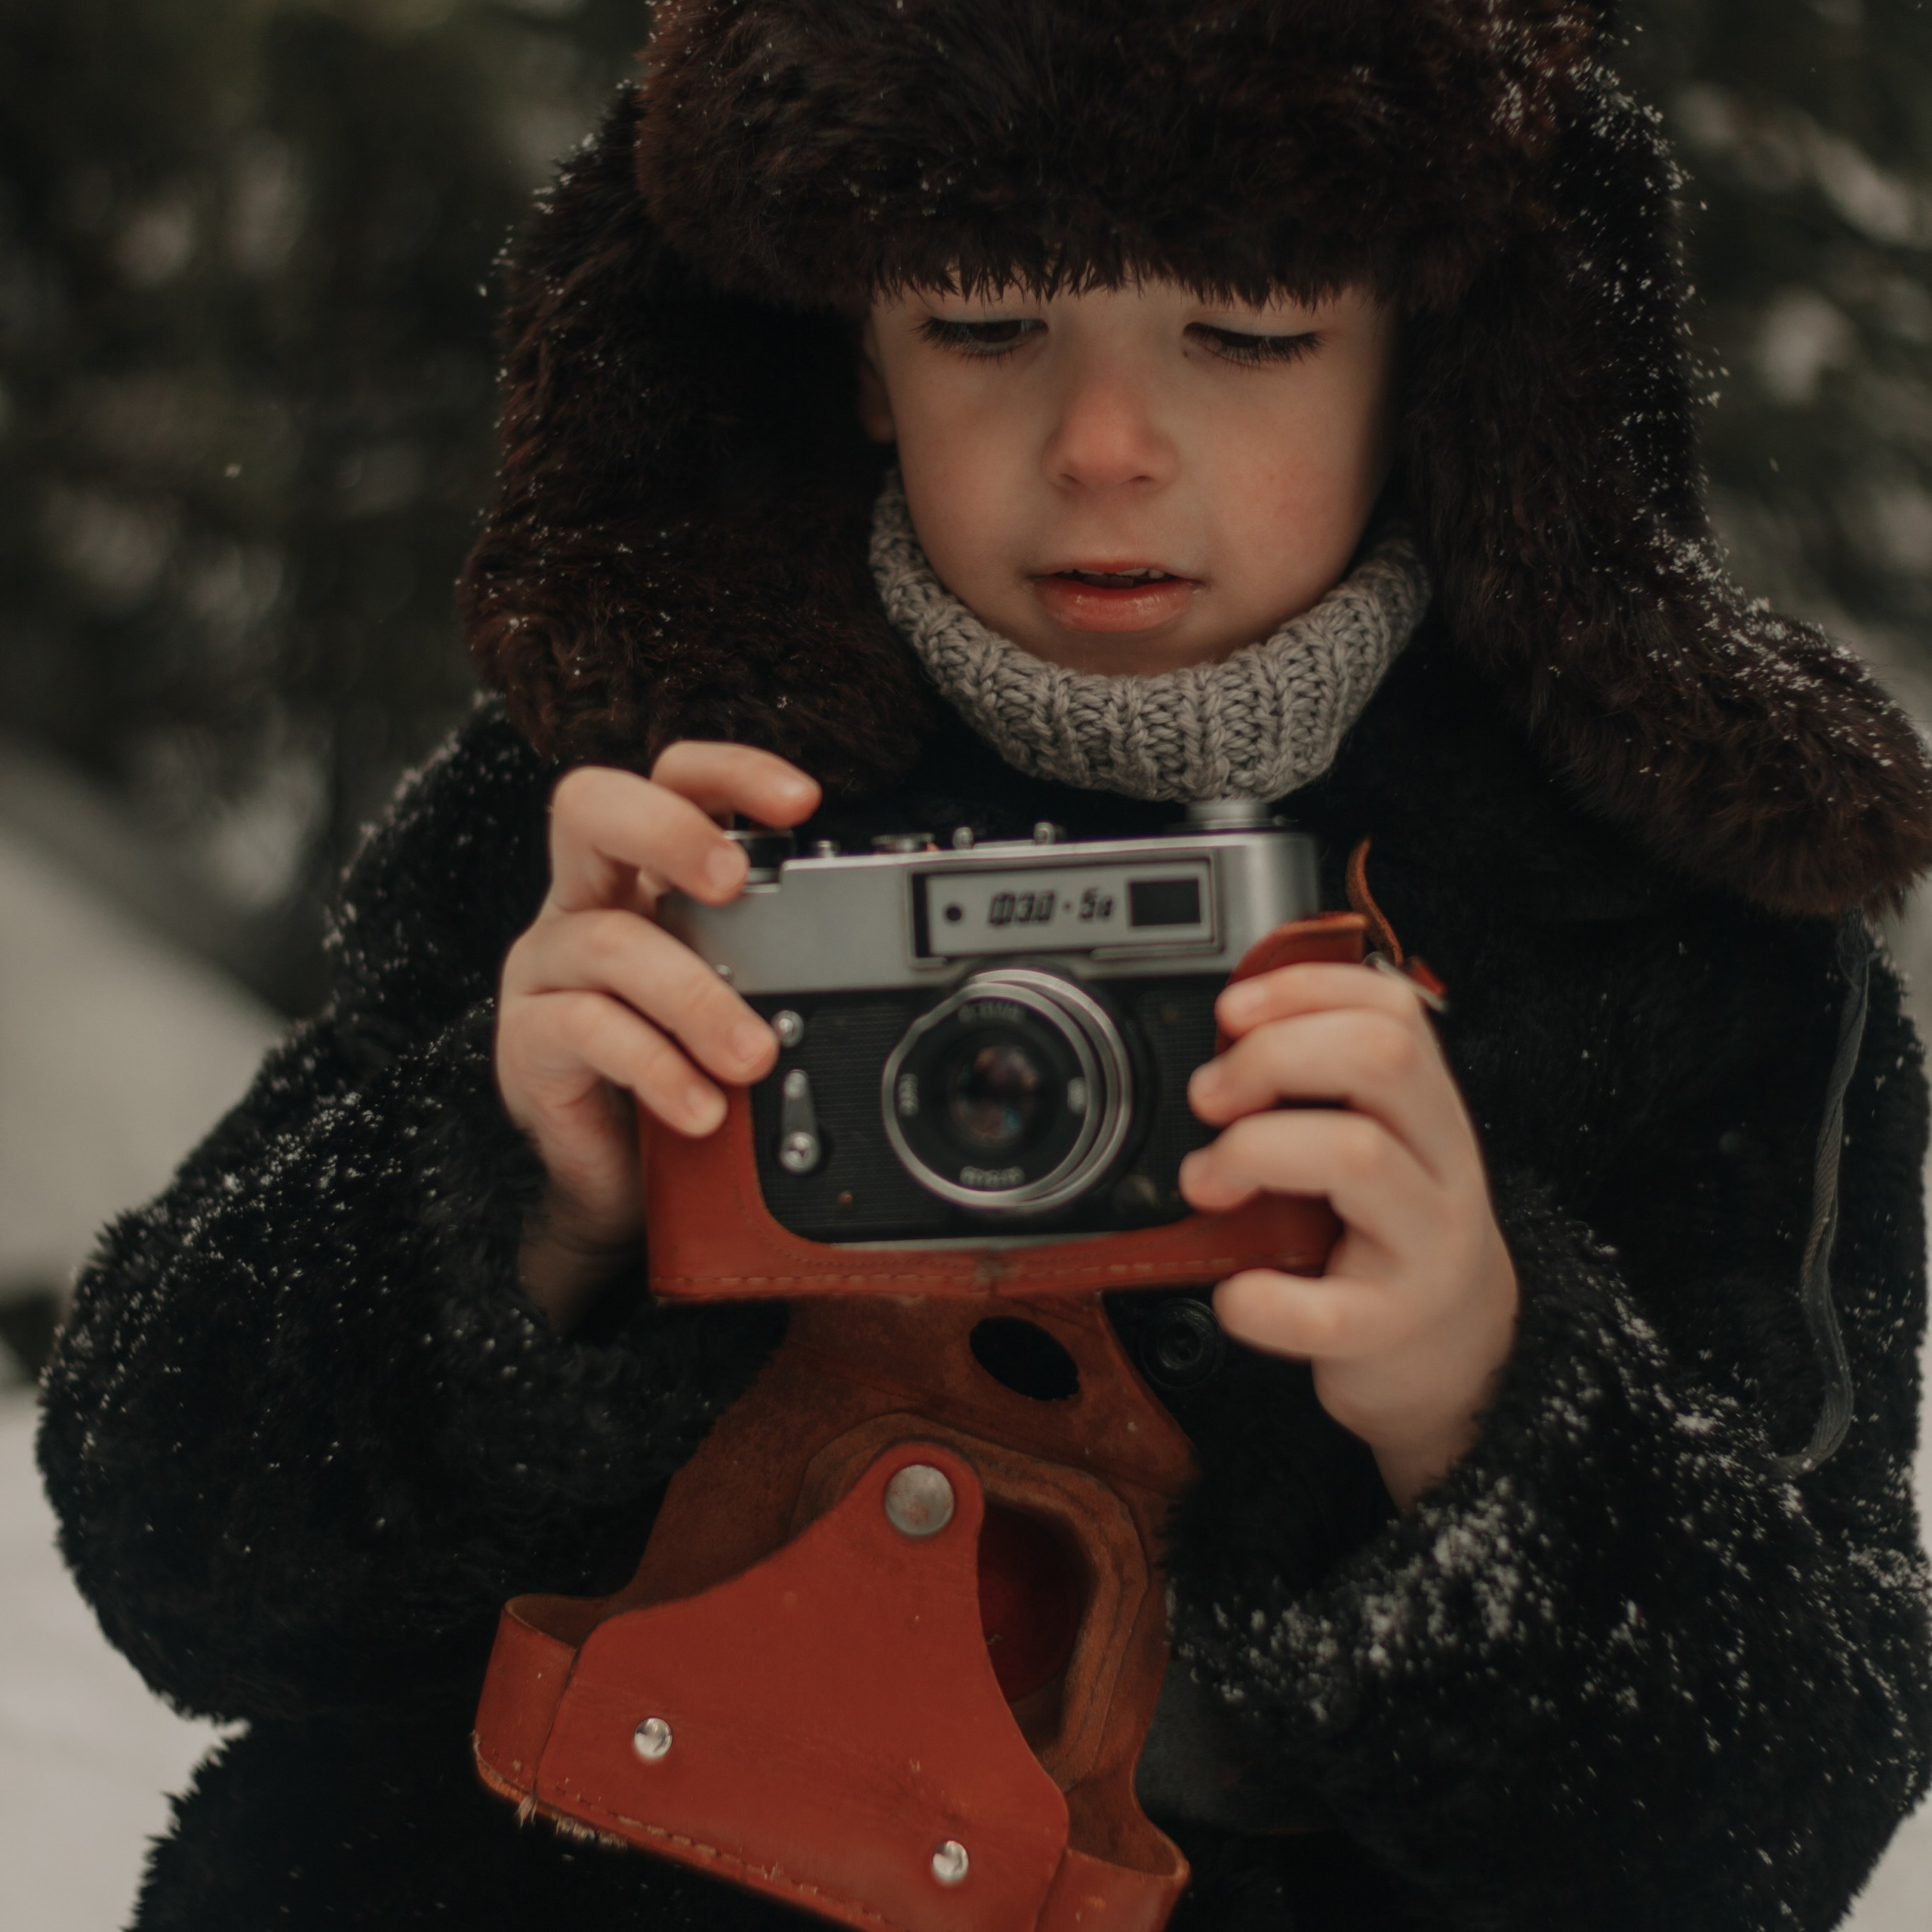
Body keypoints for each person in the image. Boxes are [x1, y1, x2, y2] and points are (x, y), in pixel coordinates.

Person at [37, 4, 1932, 1928]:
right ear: (857, 348)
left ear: (1421, 346)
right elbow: (169, 1549)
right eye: (981, 324)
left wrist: (1481, 1395)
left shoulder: (1681, 934)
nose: (1103, 445)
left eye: (1247, 330)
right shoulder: (628, 791)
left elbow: (1775, 1830)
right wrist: (513, 1211)